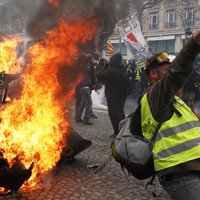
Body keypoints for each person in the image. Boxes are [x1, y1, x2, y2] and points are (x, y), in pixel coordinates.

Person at [133, 28, 200, 200]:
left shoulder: (175, 99)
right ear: (153, 74)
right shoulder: (154, 96)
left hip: (191, 165)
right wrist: (193, 43)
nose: (172, 73)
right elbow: (177, 73)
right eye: (166, 70)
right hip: (180, 172)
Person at [97, 53, 132, 137]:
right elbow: (129, 83)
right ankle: (122, 132)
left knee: (114, 114)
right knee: (120, 113)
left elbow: (99, 75)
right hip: (121, 96)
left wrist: (104, 66)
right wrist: (128, 93)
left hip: (112, 96)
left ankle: (118, 132)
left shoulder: (111, 70)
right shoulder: (122, 69)